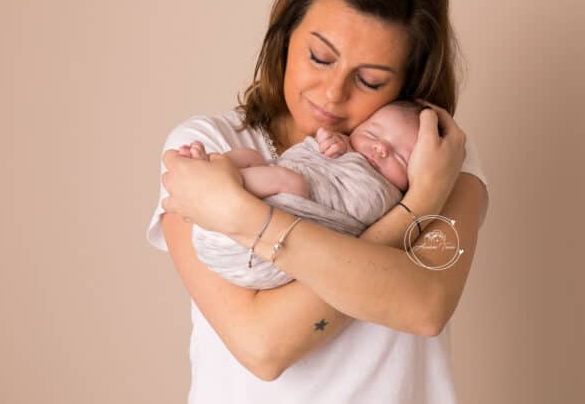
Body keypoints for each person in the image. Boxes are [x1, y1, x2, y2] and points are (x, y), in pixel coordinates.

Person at [149, 0, 490, 404]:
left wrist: (246, 217)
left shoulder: (432, 158)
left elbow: (424, 307)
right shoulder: (210, 148)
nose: (333, 94)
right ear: (285, 36)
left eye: (370, 80)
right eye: (320, 57)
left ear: (409, 82)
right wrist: (412, 211)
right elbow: (263, 347)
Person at [174, 100, 424, 289]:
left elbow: (359, 203)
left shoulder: (387, 195)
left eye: (401, 158)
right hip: (226, 231)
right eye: (372, 134)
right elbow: (310, 158)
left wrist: (346, 157)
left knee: (290, 181)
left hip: (257, 252)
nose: (380, 148)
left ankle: (222, 182)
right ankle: (218, 172)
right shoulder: (348, 145)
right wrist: (330, 143)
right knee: (252, 157)